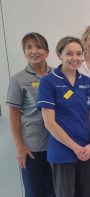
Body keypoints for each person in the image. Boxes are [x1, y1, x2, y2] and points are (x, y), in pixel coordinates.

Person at [37, 36, 90, 197]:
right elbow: (49, 123)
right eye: (69, 54)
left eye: (79, 54)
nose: (75, 58)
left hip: (89, 149)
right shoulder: (48, 82)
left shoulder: (87, 82)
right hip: (63, 151)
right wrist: (75, 147)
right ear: (60, 55)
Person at [6, 32, 55, 197]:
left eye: (39, 47)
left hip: (58, 144)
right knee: (35, 192)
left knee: (58, 191)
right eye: (29, 47)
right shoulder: (18, 79)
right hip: (32, 147)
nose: (34, 51)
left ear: (47, 52)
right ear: (24, 52)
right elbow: (13, 114)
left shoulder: (58, 75)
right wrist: (19, 146)